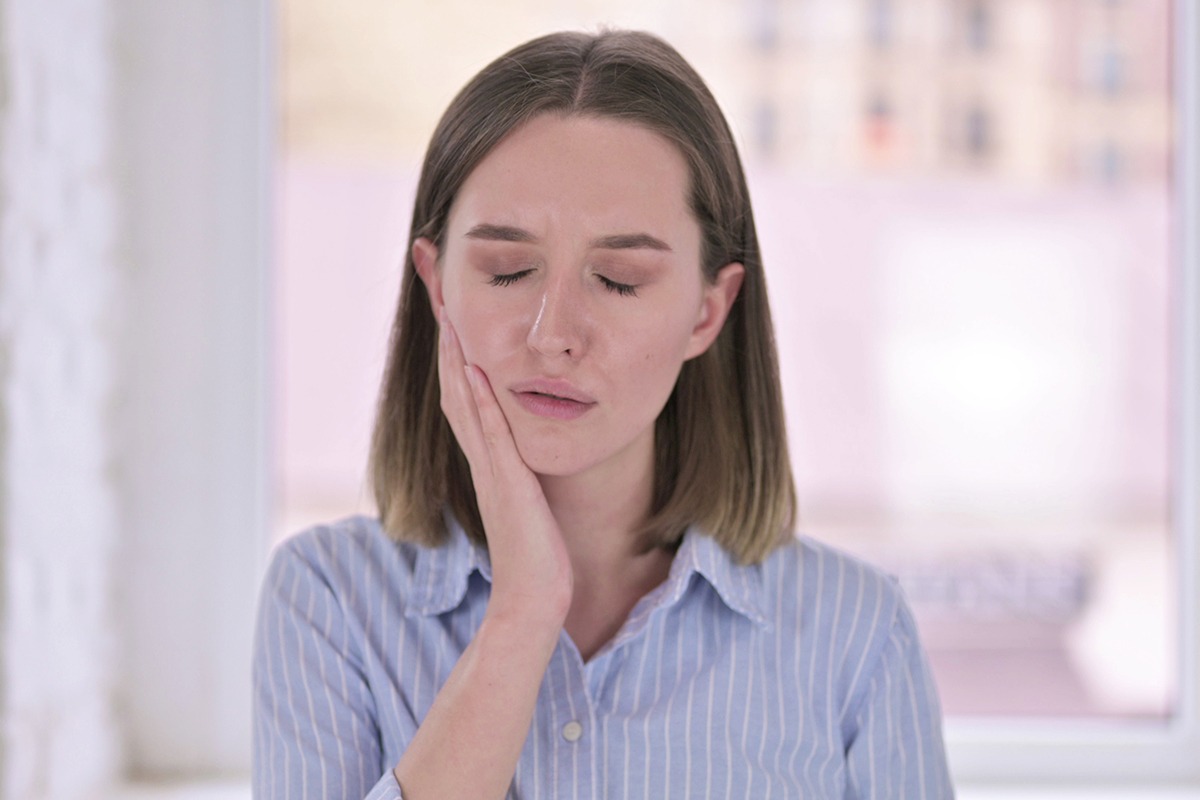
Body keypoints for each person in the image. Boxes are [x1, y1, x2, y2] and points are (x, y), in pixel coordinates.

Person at [252, 29, 954, 800]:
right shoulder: (328, 601)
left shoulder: (857, 635)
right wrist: (523, 613)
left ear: (707, 312)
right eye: (508, 270)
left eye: (619, 281)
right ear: (438, 284)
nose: (553, 335)